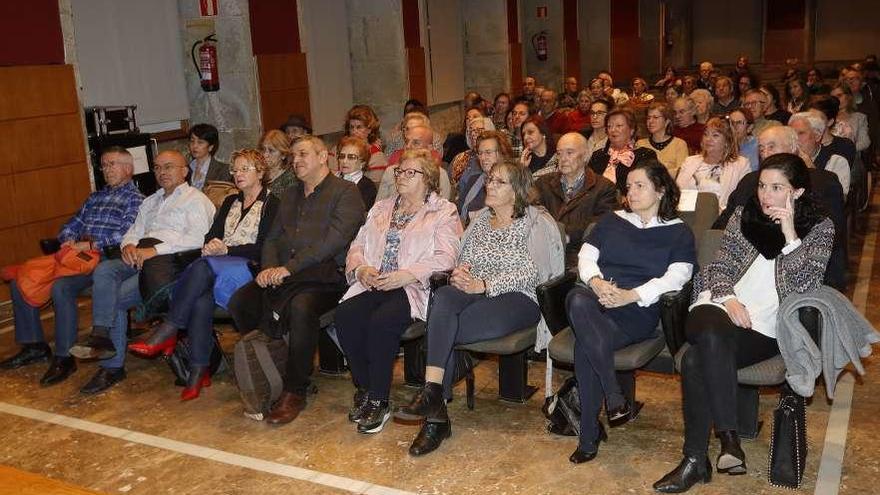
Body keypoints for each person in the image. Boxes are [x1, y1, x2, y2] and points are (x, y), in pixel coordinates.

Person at [654, 153, 833, 493]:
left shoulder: (820, 227)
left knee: (694, 360)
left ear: (795, 193)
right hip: (719, 303)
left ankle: (695, 461)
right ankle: (728, 437)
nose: (765, 195)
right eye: (763, 186)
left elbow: (805, 290)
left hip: (766, 322)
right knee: (708, 329)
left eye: (777, 188)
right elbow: (718, 267)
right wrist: (729, 298)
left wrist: (791, 235)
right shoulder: (743, 215)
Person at [395, 160, 564, 456]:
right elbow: (466, 256)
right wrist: (460, 273)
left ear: (517, 191)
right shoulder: (482, 220)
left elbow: (534, 271)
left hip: (518, 298)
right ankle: (434, 393)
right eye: (489, 180)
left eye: (499, 182)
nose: (490, 185)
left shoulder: (533, 222)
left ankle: (436, 418)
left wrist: (486, 284)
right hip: (473, 291)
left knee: (442, 327)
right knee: (445, 298)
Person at [227, 136, 366, 425]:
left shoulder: (346, 192)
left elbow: (332, 242)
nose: (296, 160)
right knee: (242, 301)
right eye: (293, 156)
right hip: (285, 274)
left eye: (303, 154)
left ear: (323, 156)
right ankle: (274, 369)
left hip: (327, 278)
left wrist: (288, 268)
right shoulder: (289, 194)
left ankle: (295, 390)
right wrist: (267, 268)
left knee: (302, 308)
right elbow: (272, 238)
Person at [566, 159, 696, 464]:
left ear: (661, 190)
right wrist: (597, 283)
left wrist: (631, 295)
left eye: (640, 186)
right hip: (598, 300)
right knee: (576, 298)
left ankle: (589, 433)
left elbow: (677, 277)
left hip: (637, 309)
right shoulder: (613, 221)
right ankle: (613, 395)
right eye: (629, 187)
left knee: (586, 344)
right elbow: (586, 256)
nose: (631, 192)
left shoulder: (678, 232)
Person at [126, 149, 279, 400]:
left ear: (260, 172)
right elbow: (211, 235)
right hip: (217, 267)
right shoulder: (231, 201)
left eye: (244, 169)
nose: (237, 174)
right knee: (200, 296)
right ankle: (198, 371)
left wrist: (227, 248)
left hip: (248, 269)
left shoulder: (273, 204)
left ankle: (169, 330)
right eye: (235, 170)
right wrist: (211, 245)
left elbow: (266, 246)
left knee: (200, 267)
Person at [336, 149, 462, 434]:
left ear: (428, 179)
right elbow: (357, 245)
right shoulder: (381, 207)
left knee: (382, 322)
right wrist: (361, 270)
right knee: (345, 315)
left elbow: (446, 256)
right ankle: (367, 387)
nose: (401, 177)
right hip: (374, 282)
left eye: (410, 172)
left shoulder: (443, 210)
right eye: (399, 171)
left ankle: (379, 400)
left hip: (412, 287)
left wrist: (406, 275)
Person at [69, 151, 215, 394]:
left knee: (113, 299)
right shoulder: (151, 201)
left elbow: (198, 239)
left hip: (170, 265)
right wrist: (128, 245)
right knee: (104, 270)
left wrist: (155, 251)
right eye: (157, 168)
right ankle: (101, 336)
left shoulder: (196, 200)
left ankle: (111, 366)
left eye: (169, 167)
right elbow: (134, 230)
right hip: (139, 256)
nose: (162, 172)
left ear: (184, 171)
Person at [0, 147, 143, 385]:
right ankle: (42, 348)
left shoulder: (136, 199)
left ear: (128, 168)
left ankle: (64, 356)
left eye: (112, 164)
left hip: (108, 258)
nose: (106, 169)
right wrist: (68, 238)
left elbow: (126, 235)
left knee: (60, 288)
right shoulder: (95, 197)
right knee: (22, 278)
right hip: (79, 259)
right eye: (104, 165)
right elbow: (72, 223)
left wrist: (89, 244)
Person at [715, 126, 848, 291]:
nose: (765, 153)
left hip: (789, 288)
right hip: (737, 281)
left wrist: (791, 236)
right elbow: (722, 230)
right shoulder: (749, 184)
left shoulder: (824, 183)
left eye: (772, 146)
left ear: (793, 148)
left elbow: (834, 239)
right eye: (761, 148)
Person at [534, 132, 617, 267]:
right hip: (543, 254)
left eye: (569, 153)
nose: (563, 159)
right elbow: (533, 218)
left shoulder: (604, 188)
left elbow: (601, 228)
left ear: (585, 155)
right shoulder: (543, 183)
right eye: (559, 153)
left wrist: (565, 235)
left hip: (581, 258)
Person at [676, 117, 751, 211]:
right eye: (706, 134)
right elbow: (678, 193)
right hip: (688, 215)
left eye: (715, 135)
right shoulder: (690, 162)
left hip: (721, 218)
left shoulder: (741, 164)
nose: (708, 139)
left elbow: (742, 200)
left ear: (727, 141)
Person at [589, 108, 657, 194]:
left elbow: (647, 189)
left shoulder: (645, 156)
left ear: (632, 130)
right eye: (609, 126)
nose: (613, 130)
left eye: (619, 126)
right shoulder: (598, 155)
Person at [378, 125, 452, 201]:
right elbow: (377, 209)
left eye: (416, 143)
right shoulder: (391, 172)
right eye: (407, 141)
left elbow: (442, 207)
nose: (408, 146)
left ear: (430, 148)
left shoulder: (440, 175)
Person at [458, 130, 513, 224]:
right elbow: (459, 213)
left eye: (488, 152)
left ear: (501, 153)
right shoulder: (473, 180)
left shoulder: (511, 182)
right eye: (480, 153)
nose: (482, 158)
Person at [790, 111, 850, 196]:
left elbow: (839, 200)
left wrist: (811, 169)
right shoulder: (784, 158)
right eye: (791, 133)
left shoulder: (836, 162)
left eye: (801, 133)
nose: (794, 138)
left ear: (817, 136)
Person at [636, 101, 689, 178]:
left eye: (655, 117)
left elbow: (682, 173)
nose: (650, 121)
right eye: (648, 118)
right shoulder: (640, 144)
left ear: (667, 121)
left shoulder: (679, 144)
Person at [342, 105, 388, 184]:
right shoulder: (340, 150)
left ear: (369, 129)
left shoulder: (376, 156)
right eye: (351, 127)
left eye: (359, 127)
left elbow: (374, 190)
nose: (354, 131)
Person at [336, 136, 378, 210]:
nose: (344, 161)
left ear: (363, 162)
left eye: (351, 157)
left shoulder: (368, 187)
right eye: (342, 156)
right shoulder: (332, 180)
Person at [449, 116, 494, 184]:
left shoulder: (493, 157)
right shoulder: (459, 158)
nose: (472, 134)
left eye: (478, 130)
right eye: (470, 131)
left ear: (490, 132)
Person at [187, 123, 232, 191]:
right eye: (192, 141)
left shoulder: (224, 170)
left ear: (211, 147)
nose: (194, 146)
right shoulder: (185, 169)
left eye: (200, 142)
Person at [830, 82, 872, 153]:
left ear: (849, 96)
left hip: (852, 160)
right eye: (833, 97)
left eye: (839, 95)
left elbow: (865, 142)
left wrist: (846, 150)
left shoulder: (860, 117)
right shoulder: (826, 117)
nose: (836, 99)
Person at [259, 129, 296, 199]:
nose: (265, 155)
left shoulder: (291, 178)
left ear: (283, 155)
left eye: (271, 151)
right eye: (263, 149)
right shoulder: (260, 175)